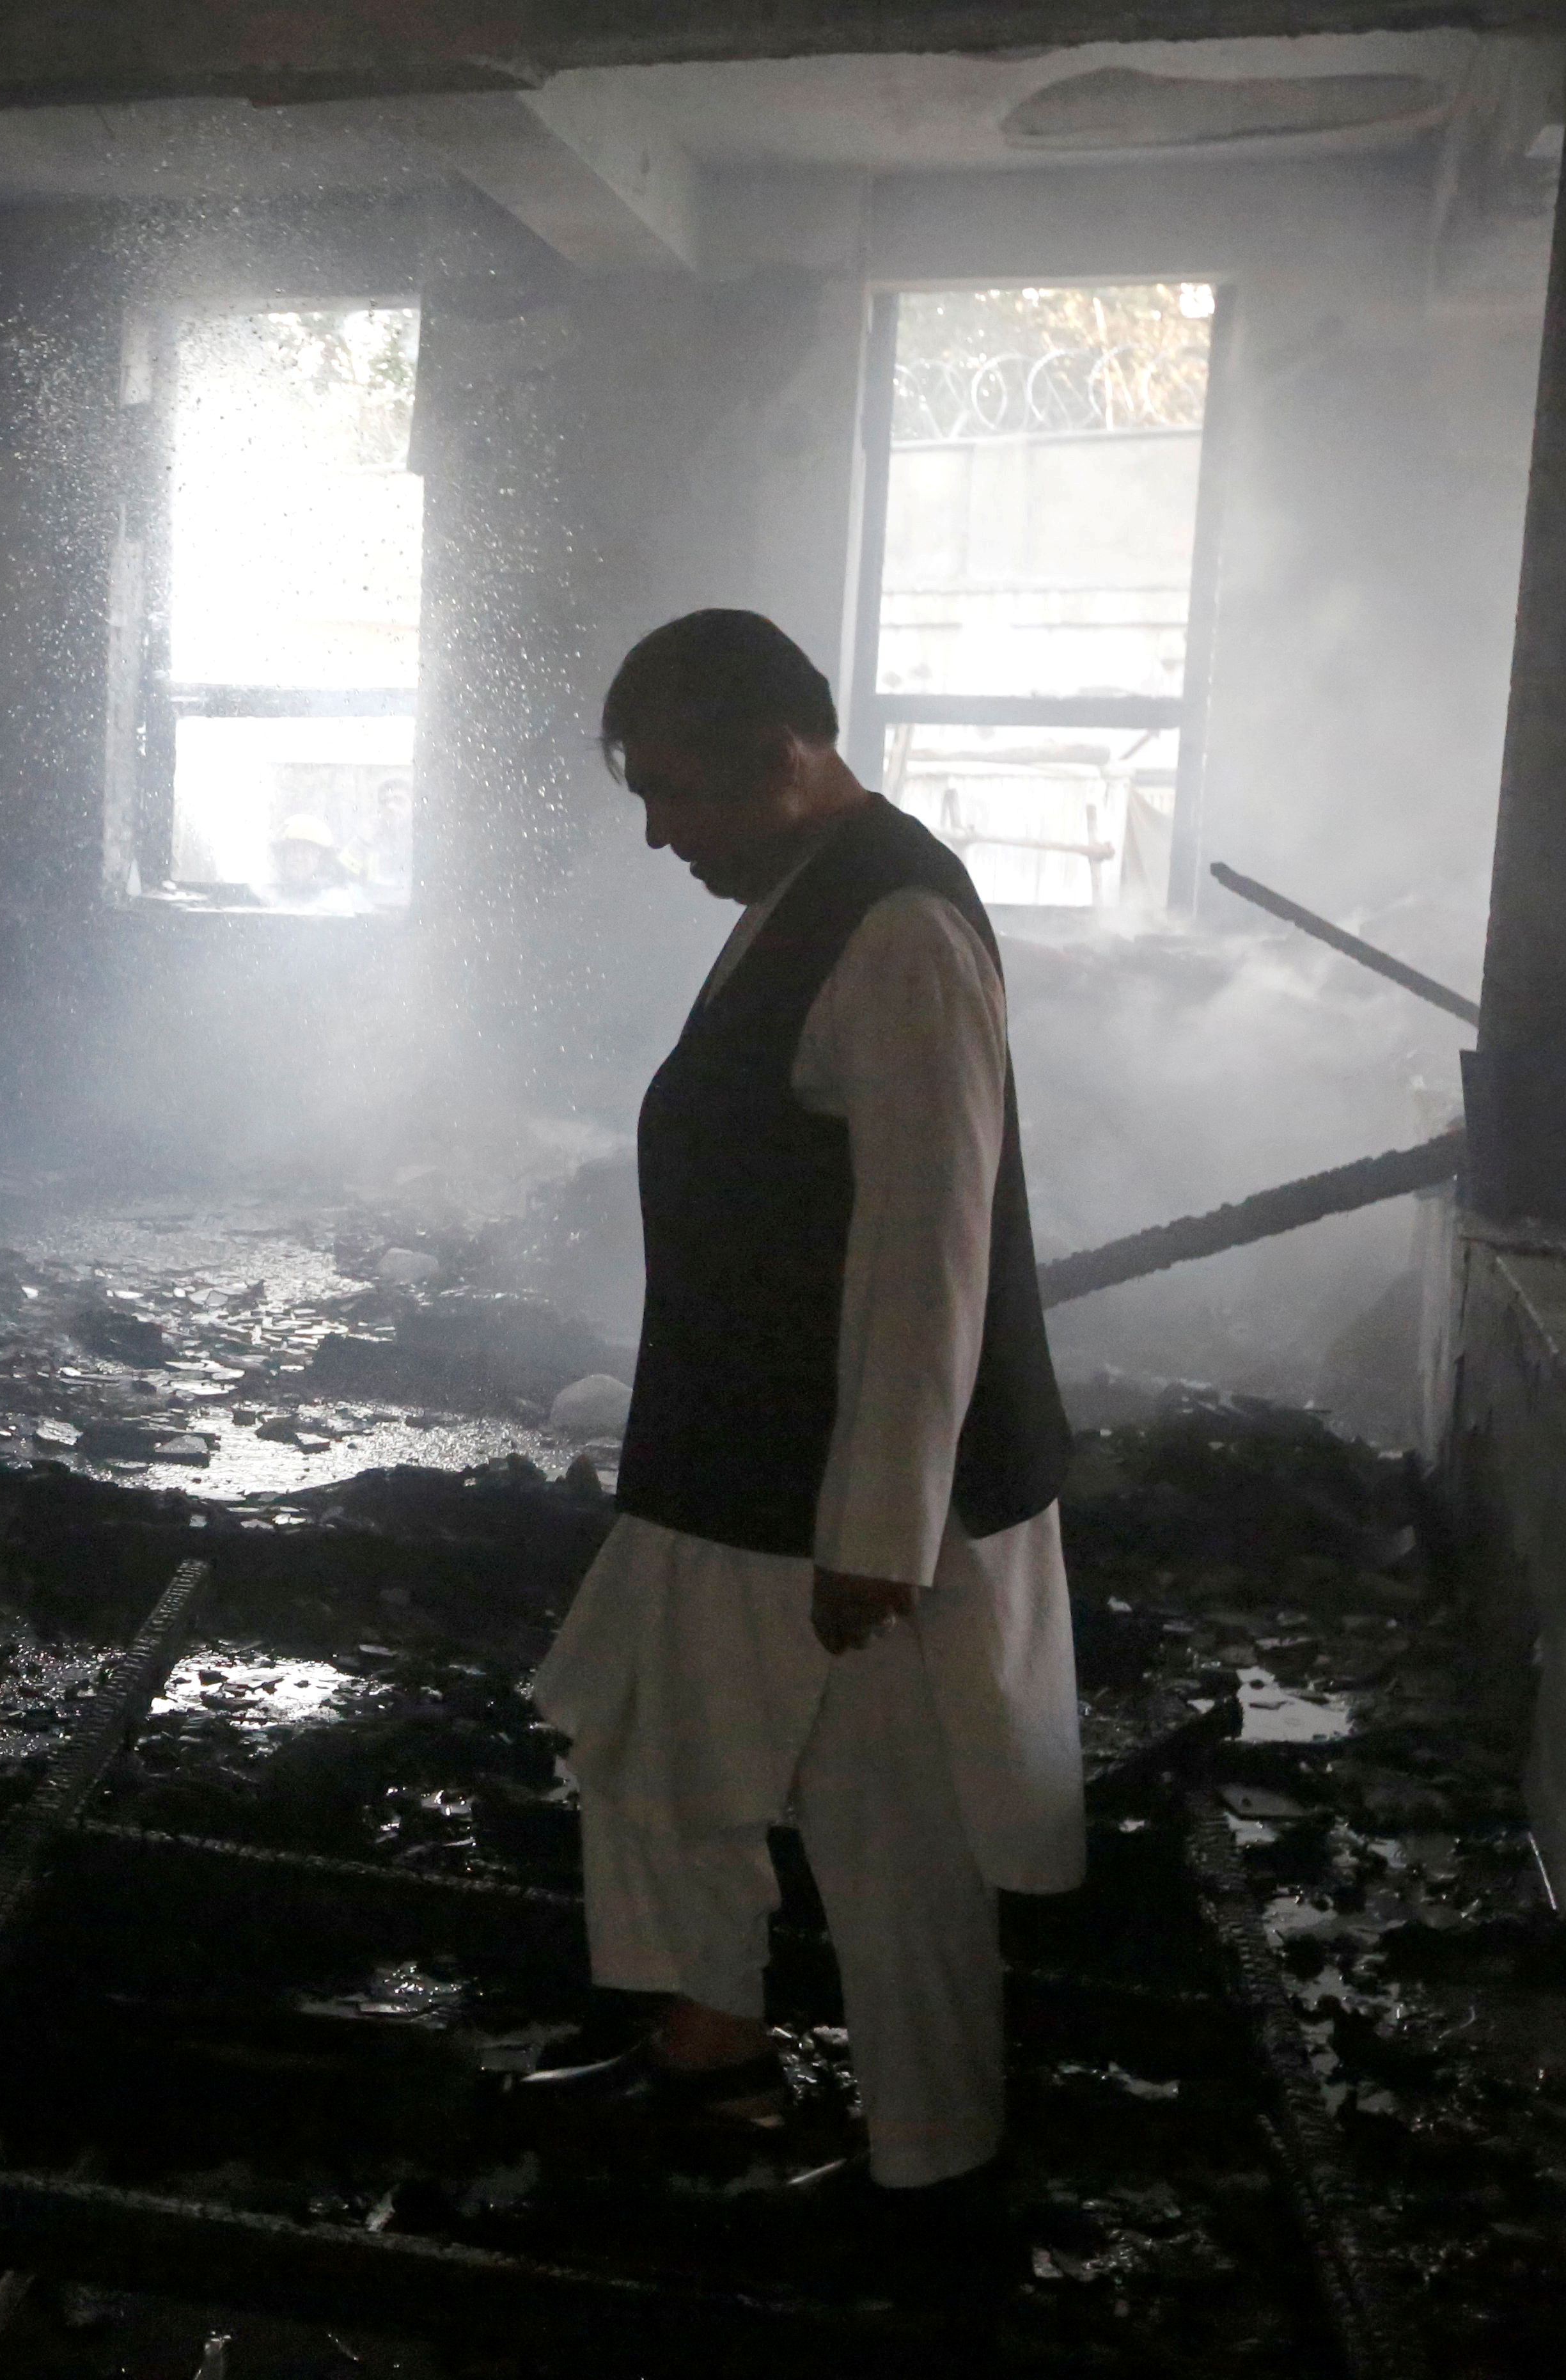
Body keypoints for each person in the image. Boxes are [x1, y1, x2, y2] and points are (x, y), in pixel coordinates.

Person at [514, 609, 1083, 2275]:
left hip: (845, 1495)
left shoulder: (897, 927)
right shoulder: (790, 898)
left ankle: (937, 2161)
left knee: (888, 1823)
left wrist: (883, 1527)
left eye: (677, 792)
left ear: (788, 755)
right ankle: (710, 2051)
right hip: (731, 1465)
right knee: (656, 1741)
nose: (658, 831)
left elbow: (929, 1254)